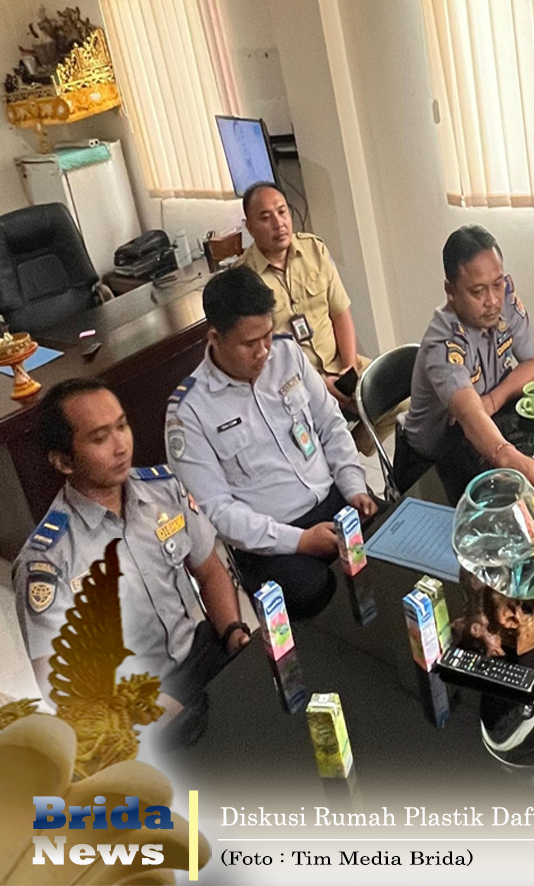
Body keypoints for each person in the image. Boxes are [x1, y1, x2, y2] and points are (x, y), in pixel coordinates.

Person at [13, 379, 249, 709]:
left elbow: (209, 571)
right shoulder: (47, 558)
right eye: (100, 438)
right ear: (64, 462)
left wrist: (233, 631)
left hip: (198, 652)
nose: (121, 446)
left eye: (122, 426)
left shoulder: (165, 489)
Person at [166, 267, 377, 618]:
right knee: (319, 598)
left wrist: (353, 486)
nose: (264, 351)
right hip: (271, 541)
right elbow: (218, 511)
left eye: (267, 335)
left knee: (389, 543)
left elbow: (330, 424)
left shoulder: (287, 354)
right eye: (250, 343)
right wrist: (299, 541)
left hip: (333, 497)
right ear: (215, 338)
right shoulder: (188, 412)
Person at [401, 225, 534, 503]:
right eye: (478, 291)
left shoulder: (504, 301)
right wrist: (506, 455)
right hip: (432, 466)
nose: (493, 301)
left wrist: (493, 400)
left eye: (497, 284)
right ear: (450, 291)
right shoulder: (444, 342)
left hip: (481, 437)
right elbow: (469, 414)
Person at [237, 182, 366, 410]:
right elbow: (260, 357)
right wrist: (319, 384)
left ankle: (358, 434)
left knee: (403, 404)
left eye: (282, 212)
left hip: (340, 365)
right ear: (250, 227)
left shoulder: (314, 249)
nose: (279, 223)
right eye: (266, 218)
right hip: (292, 385)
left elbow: (340, 312)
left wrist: (349, 369)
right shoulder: (243, 279)